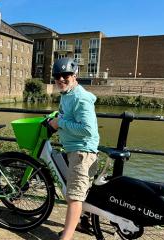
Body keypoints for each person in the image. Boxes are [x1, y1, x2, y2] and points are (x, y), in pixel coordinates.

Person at [49, 57, 99, 240]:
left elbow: (87, 129)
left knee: (74, 197)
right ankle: (83, 223)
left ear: (74, 74)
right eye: (57, 76)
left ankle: (66, 237)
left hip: (82, 152)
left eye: (66, 75)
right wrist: (55, 118)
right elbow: (66, 116)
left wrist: (60, 122)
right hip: (75, 149)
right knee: (82, 192)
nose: (61, 79)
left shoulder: (80, 97)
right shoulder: (67, 95)